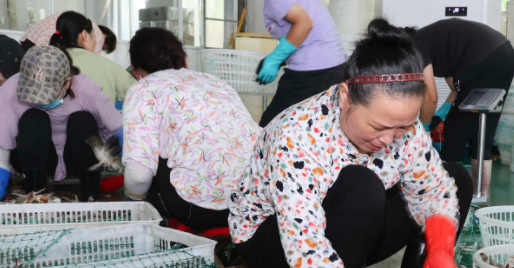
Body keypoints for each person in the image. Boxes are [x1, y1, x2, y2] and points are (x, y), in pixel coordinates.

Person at [231, 19, 478, 268]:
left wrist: (440, 249)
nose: (390, 139)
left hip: (351, 225)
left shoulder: (398, 126)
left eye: (403, 127)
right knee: (361, 184)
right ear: (346, 96)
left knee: (454, 177)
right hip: (273, 238)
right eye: (378, 127)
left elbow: (433, 189)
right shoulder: (296, 136)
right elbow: (308, 251)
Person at [123, 28, 259, 231]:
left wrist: (133, 202)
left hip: (200, 210)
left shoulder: (143, 88)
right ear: (184, 60)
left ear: (136, 71)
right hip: (257, 201)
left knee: (151, 154)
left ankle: (154, 229)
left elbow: (139, 175)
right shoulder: (218, 83)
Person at [0, 45, 122, 202]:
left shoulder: (86, 89)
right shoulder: (11, 90)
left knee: (82, 120)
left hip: (76, 159)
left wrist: (123, 148)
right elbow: (1, 142)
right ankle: (36, 195)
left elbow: (118, 127)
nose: (40, 102)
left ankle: (90, 194)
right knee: (33, 118)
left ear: (66, 83)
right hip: (35, 160)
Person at [408, 19, 514, 197]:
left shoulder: (415, 45)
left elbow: (430, 97)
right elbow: (455, 90)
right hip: (505, 53)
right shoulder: (439, 44)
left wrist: (422, 128)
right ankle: (480, 196)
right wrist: (439, 116)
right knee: (482, 133)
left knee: (455, 132)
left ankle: (444, 197)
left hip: (483, 56)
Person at [256, 0, 347, 128]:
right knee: (319, 125)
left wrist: (275, 58)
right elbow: (310, 34)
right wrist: (278, 59)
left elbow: (304, 24)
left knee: (270, 125)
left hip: (314, 71)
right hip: (336, 66)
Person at [50, 13, 135, 108]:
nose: (95, 42)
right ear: (84, 35)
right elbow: (138, 91)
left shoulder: (48, 62)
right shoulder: (107, 65)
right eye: (94, 36)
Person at [21, 12, 106, 54]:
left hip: (27, 41)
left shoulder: (84, 23)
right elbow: (92, 61)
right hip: (37, 48)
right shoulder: (98, 36)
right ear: (85, 35)